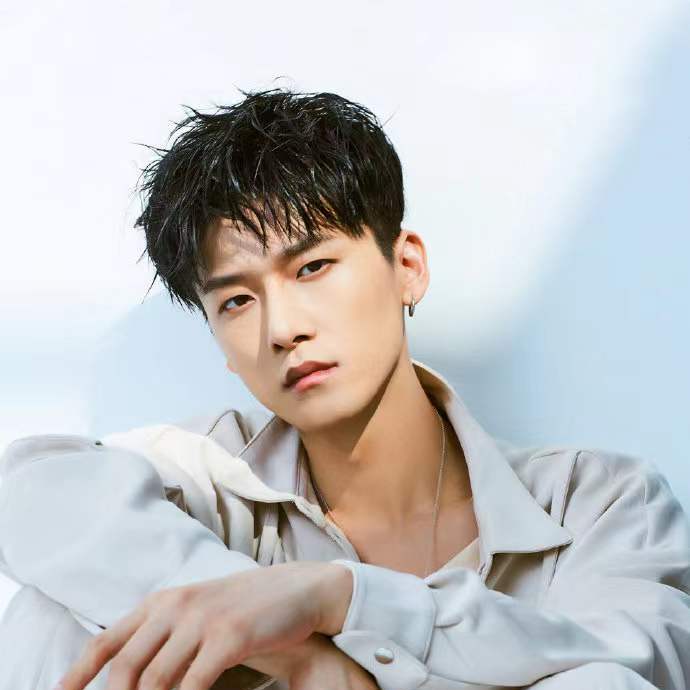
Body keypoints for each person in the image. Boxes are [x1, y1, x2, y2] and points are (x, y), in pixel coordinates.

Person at [1, 88, 689, 690]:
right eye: (237, 302)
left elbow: (640, 665)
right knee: (55, 610)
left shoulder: (598, 502)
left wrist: (337, 598)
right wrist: (291, 649)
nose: (282, 329)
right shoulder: (206, 476)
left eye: (312, 268)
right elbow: (29, 491)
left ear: (407, 267)